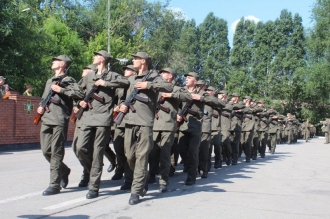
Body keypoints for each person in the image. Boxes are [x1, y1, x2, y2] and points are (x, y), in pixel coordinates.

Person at [118, 52, 173, 205]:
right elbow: (124, 97)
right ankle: (142, 181)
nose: (133, 60)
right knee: (129, 156)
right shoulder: (131, 79)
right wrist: (122, 106)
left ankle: (136, 191)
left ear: (143, 61)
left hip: (145, 123)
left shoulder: (154, 76)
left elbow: (168, 86)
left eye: (135, 58)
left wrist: (148, 85)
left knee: (142, 156)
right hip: (129, 121)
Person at [76, 50, 129, 199]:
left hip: (103, 118)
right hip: (87, 116)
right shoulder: (88, 76)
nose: (93, 57)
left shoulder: (112, 75)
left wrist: (105, 83)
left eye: (96, 55)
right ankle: (93, 171)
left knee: (98, 151)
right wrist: (78, 101)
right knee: (80, 148)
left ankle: (94, 186)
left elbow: (125, 82)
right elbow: (77, 90)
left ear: (102, 60)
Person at [37, 55, 84, 196]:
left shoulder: (68, 80)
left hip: (59, 119)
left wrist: (61, 90)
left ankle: (54, 185)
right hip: (46, 118)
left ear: (63, 64)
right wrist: (40, 107)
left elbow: (79, 93)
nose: (53, 61)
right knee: (46, 151)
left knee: (56, 151)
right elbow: (45, 97)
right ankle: (64, 170)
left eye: (56, 60)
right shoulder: (49, 80)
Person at [148, 67, 192, 192]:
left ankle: (163, 181)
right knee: (152, 152)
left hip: (167, 125)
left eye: (164, 73)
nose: (161, 75)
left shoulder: (176, 88)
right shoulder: (157, 88)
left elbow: (188, 97)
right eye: (161, 73)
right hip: (154, 125)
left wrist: (171, 95)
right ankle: (151, 174)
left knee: (165, 154)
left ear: (170, 76)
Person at [177, 72, 217, 185]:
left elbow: (217, 102)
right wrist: (177, 114)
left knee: (193, 151)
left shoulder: (202, 93)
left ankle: (191, 175)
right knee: (182, 150)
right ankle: (190, 166)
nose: (186, 79)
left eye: (189, 78)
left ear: (195, 81)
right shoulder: (181, 91)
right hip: (183, 126)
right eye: (186, 78)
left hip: (195, 127)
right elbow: (175, 104)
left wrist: (201, 98)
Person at [111, 65, 138, 192]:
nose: (124, 71)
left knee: (130, 152)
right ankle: (120, 168)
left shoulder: (136, 83)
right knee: (118, 148)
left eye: (127, 69)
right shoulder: (121, 85)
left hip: (130, 121)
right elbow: (113, 99)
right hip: (118, 121)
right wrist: (115, 108)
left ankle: (130, 178)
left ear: (134, 72)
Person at [71, 64, 97, 187]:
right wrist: (76, 105)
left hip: (92, 120)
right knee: (76, 148)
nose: (84, 70)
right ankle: (89, 170)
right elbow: (75, 96)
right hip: (81, 119)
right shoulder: (80, 82)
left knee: (86, 148)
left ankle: (88, 175)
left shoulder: (95, 82)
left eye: (87, 69)